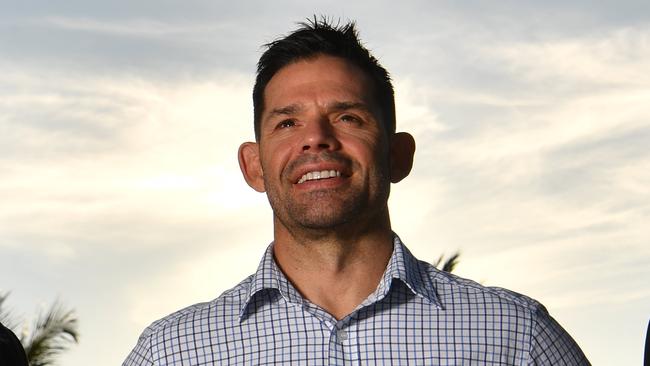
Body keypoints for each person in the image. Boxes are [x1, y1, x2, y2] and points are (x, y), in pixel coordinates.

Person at [123, 18, 590, 365]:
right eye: (288, 122)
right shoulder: (171, 352)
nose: (316, 138)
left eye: (348, 117)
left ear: (397, 155)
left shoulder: (517, 338)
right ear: (254, 166)